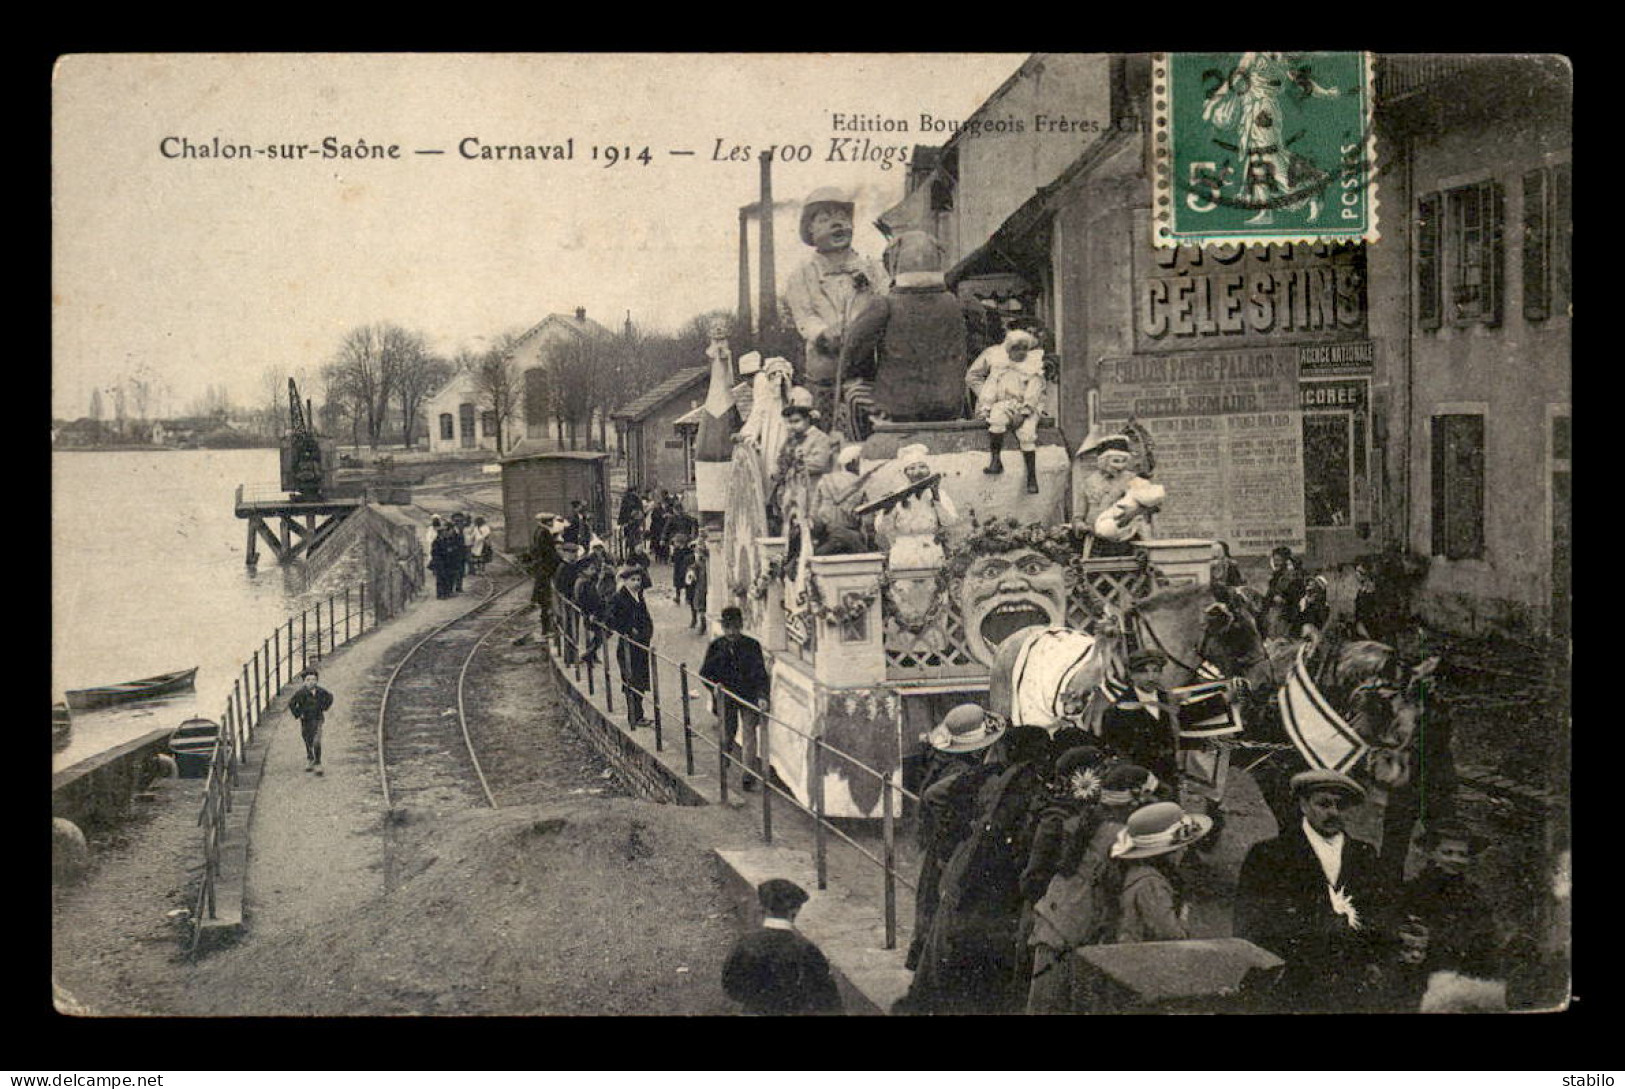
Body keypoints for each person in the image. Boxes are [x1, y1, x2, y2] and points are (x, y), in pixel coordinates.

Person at [1233, 769, 1391, 1012]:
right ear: (1303, 805)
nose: (1333, 812)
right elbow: (1248, 919)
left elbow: (1376, 912)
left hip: (1348, 980)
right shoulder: (1269, 854)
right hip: (1289, 978)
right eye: (1324, 804)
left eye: (1341, 806)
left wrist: (1373, 959)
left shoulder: (1364, 854)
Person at [1026, 762, 1160, 1013]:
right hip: (1074, 934)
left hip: (1054, 925)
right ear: (1135, 802)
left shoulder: (1087, 822)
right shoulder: (1121, 838)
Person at [839, 229, 975, 430]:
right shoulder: (957, 304)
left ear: (894, 263)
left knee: (851, 395)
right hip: (949, 405)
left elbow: (853, 354)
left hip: (896, 407)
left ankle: (863, 453)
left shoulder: (884, 304)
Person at [904, 704, 1006, 972]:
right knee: (941, 906)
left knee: (930, 901)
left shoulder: (942, 761)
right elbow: (935, 798)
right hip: (949, 847)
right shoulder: (960, 773)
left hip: (938, 843)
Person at [783, 187, 886, 425]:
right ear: (809, 228)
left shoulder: (872, 268)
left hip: (869, 370)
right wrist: (823, 333)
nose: (837, 224)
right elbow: (805, 317)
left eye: (842, 218)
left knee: (869, 431)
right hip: (826, 374)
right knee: (826, 434)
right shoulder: (802, 274)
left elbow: (886, 301)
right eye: (825, 219)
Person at [1388, 818, 1500, 983]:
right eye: (1447, 852)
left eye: (1463, 855)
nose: (1455, 860)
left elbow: (1484, 940)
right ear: (1431, 853)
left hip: (1461, 976)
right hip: (1418, 974)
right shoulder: (1411, 891)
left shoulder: (1475, 896)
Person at [721, 878, 843, 1015]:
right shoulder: (806, 949)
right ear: (795, 911)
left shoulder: (745, 943)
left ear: (763, 908)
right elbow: (827, 998)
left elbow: (731, 986)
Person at [1109, 800, 1214, 943]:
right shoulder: (1151, 884)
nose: (1185, 850)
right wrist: (1184, 916)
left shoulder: (1137, 869)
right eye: (1179, 847)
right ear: (1165, 853)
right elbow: (1171, 935)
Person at [968, 327, 1048, 493]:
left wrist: (1024, 413)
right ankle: (996, 460)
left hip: (1025, 406)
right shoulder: (999, 365)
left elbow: (1033, 394)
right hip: (1004, 404)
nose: (1019, 353)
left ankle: (1031, 477)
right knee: (996, 421)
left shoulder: (1032, 369)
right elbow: (989, 389)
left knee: (1026, 433)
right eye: (1015, 349)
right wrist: (986, 407)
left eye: (1024, 349)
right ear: (1007, 350)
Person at [699, 606, 770, 789]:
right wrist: (714, 688)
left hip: (748, 697)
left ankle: (748, 775)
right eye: (728, 628)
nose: (731, 632)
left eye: (735, 628)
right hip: (727, 698)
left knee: (749, 735)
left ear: (741, 626)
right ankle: (725, 761)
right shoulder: (716, 647)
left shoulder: (752, 646)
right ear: (723, 628)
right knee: (727, 733)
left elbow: (761, 675)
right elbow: (705, 673)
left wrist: (762, 696)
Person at [1099, 649, 1182, 790]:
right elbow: (1114, 751)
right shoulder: (1117, 710)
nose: (1151, 677)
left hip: (1168, 779)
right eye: (1143, 672)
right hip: (1139, 785)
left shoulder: (1168, 700)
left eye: (1156, 671)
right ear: (1132, 675)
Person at [603, 564, 654, 727]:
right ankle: (634, 716)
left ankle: (639, 715)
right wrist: (626, 630)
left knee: (640, 681)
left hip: (641, 646)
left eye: (638, 579)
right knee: (631, 680)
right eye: (633, 580)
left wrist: (647, 634)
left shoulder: (639, 596)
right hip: (628, 647)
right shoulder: (619, 598)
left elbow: (646, 619)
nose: (637, 583)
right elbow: (610, 618)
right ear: (624, 581)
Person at [288, 667, 334, 775]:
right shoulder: (300, 693)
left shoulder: (321, 691)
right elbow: (291, 703)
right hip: (306, 721)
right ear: (304, 682)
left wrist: (324, 707)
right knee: (307, 739)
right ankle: (310, 758)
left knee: (317, 741)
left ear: (317, 681)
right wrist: (298, 714)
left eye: (313, 679)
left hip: (318, 719)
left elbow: (330, 697)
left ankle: (318, 763)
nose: (311, 682)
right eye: (308, 680)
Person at [1263, 546, 1309, 639]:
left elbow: (1299, 594)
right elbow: (1269, 594)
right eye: (1274, 560)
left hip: (1288, 614)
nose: (1276, 563)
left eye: (1279, 560)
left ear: (1285, 560)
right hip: (1274, 613)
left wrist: (1284, 600)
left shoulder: (1294, 576)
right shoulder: (1275, 576)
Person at [528, 512, 562, 627]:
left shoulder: (538, 531)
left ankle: (546, 627)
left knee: (544, 600)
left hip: (541, 568)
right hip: (546, 569)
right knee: (547, 599)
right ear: (547, 522)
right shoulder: (545, 532)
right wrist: (560, 562)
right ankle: (547, 628)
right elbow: (549, 552)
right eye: (551, 521)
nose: (552, 523)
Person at [429, 520, 462, 599]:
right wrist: (446, 552)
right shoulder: (437, 541)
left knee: (446, 577)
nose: (445, 533)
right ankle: (440, 594)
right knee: (441, 578)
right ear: (440, 533)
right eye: (443, 532)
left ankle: (445, 593)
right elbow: (435, 553)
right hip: (439, 562)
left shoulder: (444, 541)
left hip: (445, 562)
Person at [617, 488, 645, 561]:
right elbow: (641, 511)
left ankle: (631, 552)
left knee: (629, 537)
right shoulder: (636, 498)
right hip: (635, 522)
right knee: (635, 537)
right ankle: (635, 553)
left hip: (628, 522)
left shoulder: (625, 498)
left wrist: (621, 522)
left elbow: (622, 511)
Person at [686, 545, 708, 631]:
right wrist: (691, 574)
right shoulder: (697, 564)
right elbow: (690, 573)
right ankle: (702, 624)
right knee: (700, 606)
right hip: (700, 587)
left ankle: (702, 624)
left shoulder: (705, 563)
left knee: (701, 605)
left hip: (703, 587)